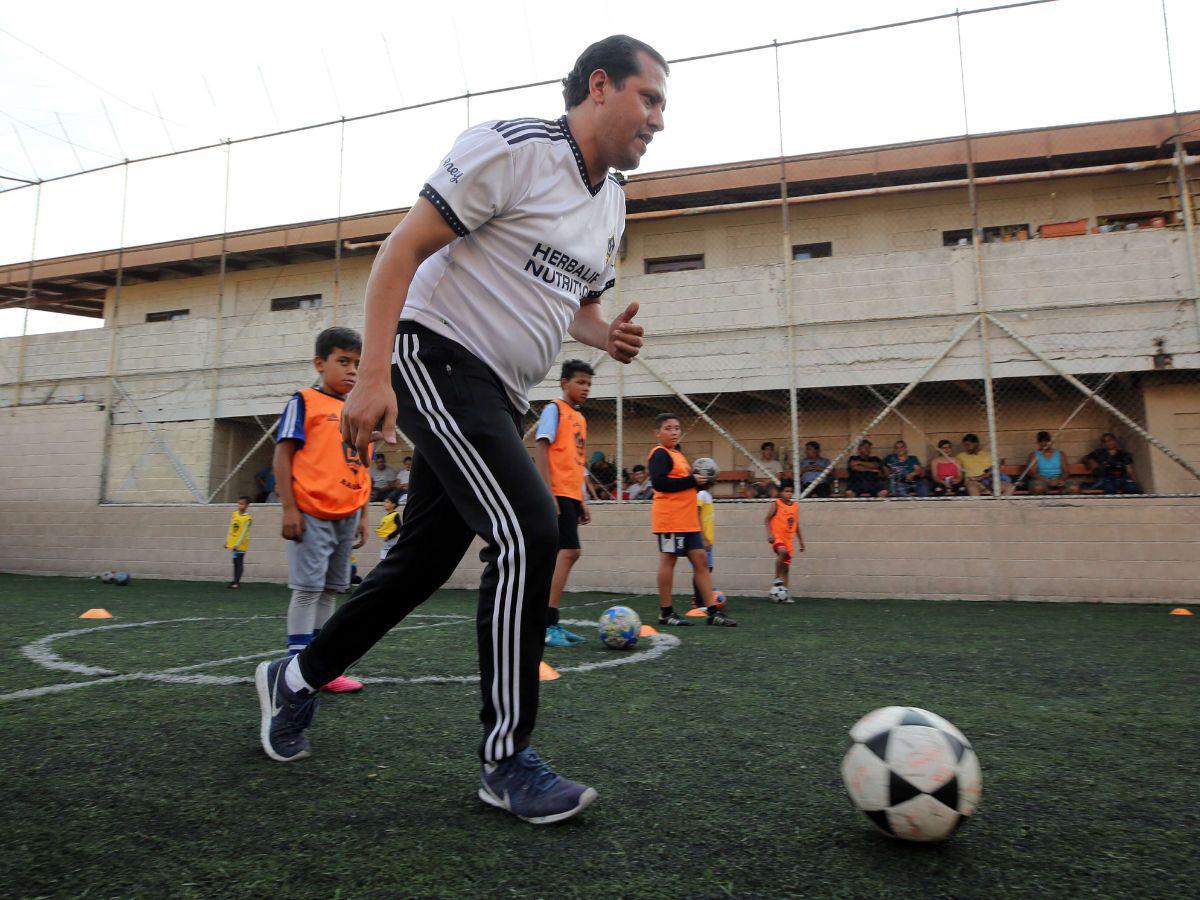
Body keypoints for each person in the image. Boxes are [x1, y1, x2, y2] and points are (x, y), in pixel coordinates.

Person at [255, 34, 666, 826]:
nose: (658, 120)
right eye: (649, 100)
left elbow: (575, 304)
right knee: (528, 529)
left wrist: (603, 334)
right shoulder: (511, 150)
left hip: (499, 394)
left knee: (417, 566)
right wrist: (373, 375)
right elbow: (401, 249)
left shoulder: (611, 200)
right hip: (435, 357)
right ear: (600, 86)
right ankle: (506, 761)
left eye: (663, 108)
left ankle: (295, 680)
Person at [267, 326, 369, 695]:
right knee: (308, 589)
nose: (352, 370)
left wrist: (364, 513)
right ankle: (296, 668)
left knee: (330, 590)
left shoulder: (357, 409)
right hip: (311, 511)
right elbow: (283, 453)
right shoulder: (304, 401)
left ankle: (321, 668)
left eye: (357, 363)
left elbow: (361, 462)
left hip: (348, 513)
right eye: (343, 361)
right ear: (319, 363)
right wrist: (289, 509)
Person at [648, 412, 737, 628]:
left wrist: (701, 483)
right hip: (670, 519)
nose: (674, 432)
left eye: (677, 428)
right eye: (668, 428)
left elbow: (683, 485)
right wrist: (691, 480)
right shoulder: (660, 454)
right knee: (669, 560)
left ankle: (713, 612)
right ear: (657, 433)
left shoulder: (677, 455)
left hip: (687, 521)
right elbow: (660, 483)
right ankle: (666, 612)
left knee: (700, 560)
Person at [534, 359, 595, 648]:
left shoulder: (580, 419)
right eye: (580, 382)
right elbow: (542, 446)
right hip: (556, 492)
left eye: (589, 384)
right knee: (569, 552)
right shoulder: (554, 409)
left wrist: (581, 498)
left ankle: (549, 622)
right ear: (564, 382)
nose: (585, 388)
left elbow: (577, 461)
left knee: (562, 554)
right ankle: (547, 623)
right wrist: (547, 492)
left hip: (570, 494)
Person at [765, 479, 804, 602]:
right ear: (781, 492)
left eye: (791, 492)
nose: (789, 494)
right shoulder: (776, 504)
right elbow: (766, 519)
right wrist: (769, 534)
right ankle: (776, 578)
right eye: (786, 491)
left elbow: (796, 525)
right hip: (777, 537)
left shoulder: (795, 507)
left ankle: (784, 594)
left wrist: (801, 541)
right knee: (782, 552)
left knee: (786, 569)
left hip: (789, 540)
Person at [690, 484, 716, 609]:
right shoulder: (701, 495)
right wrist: (703, 538)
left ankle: (702, 599)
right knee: (701, 570)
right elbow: (696, 514)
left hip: (708, 540)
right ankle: (698, 601)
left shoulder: (707, 495)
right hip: (702, 540)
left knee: (707, 569)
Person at [224, 495, 252, 589]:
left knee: (239, 562)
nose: (239, 505)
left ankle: (237, 582)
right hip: (233, 544)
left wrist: (237, 544)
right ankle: (234, 580)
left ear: (247, 505)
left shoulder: (248, 518)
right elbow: (231, 528)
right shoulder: (234, 514)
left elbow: (244, 533)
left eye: (242, 504)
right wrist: (227, 541)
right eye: (238, 503)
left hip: (241, 545)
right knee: (235, 562)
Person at [374, 495, 402, 559]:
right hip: (389, 541)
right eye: (384, 502)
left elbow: (399, 528)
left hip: (393, 540)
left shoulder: (395, 515)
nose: (385, 504)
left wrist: (389, 536)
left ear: (393, 504)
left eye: (387, 502)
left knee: (384, 555)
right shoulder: (386, 517)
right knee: (385, 556)